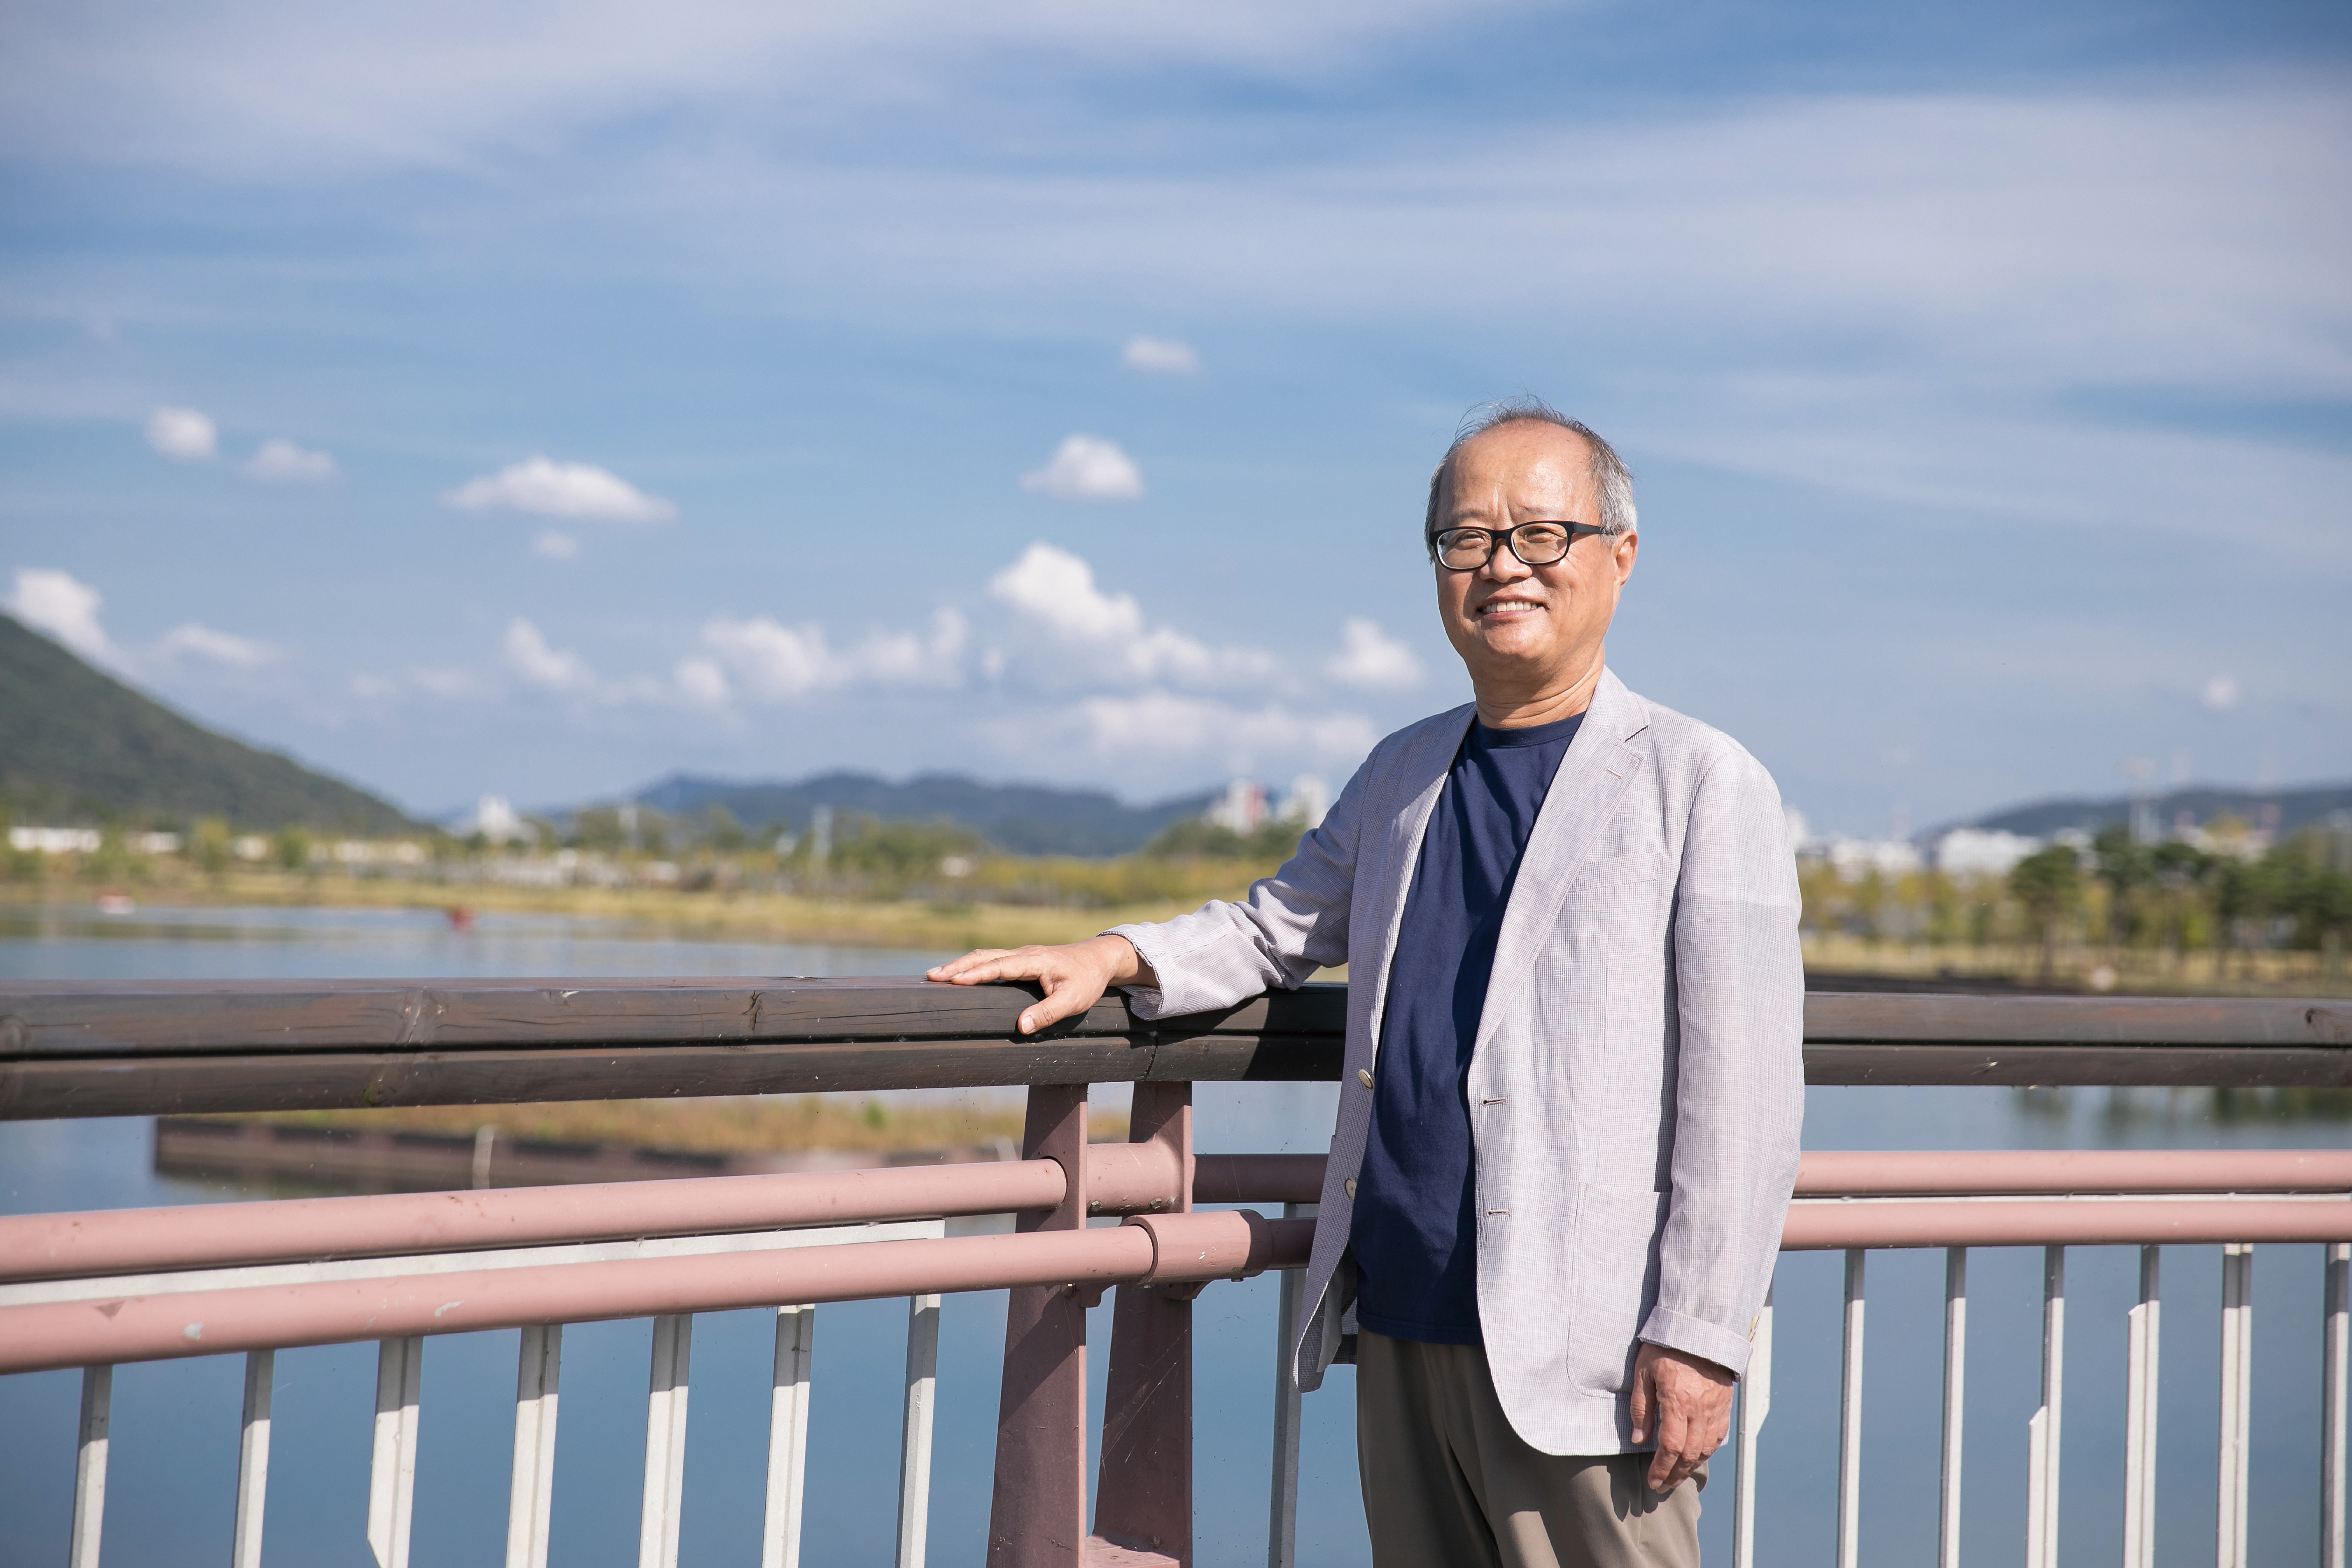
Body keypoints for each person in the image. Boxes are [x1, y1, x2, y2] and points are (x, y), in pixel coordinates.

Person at [929, 397, 1804, 1568]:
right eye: (1467, 539)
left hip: (1590, 1354)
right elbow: (1274, 928)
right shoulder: (1405, 770)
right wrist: (1116, 957)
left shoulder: (1702, 781)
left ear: (1619, 555)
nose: (1504, 567)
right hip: (1402, 1322)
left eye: (1542, 535)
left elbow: (1742, 1106)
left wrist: (1700, 1339)